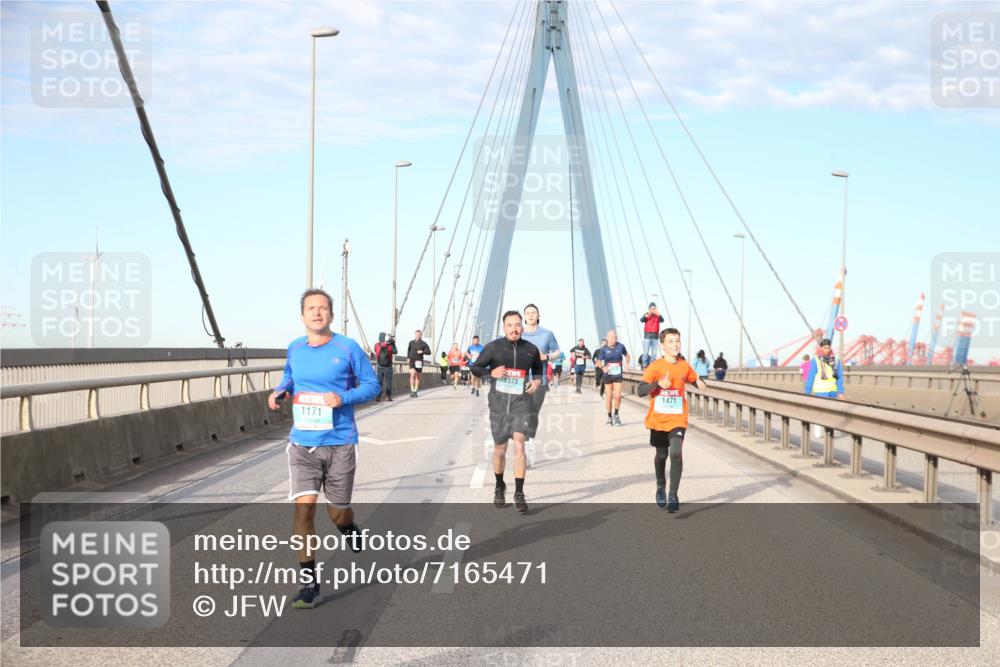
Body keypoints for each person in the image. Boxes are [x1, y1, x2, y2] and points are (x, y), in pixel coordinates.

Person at [268, 289, 380, 609]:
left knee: (337, 512)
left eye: (323, 308)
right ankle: (309, 584)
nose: (317, 313)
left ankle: (347, 527)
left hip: (340, 441)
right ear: (302, 315)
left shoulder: (347, 348)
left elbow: (371, 385)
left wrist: (342, 398)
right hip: (303, 443)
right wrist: (279, 392)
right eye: (311, 308)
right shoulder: (295, 348)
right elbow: (290, 378)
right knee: (303, 509)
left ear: (331, 314)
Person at [469, 310, 544, 514]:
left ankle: (519, 492)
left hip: (521, 403)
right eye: (510, 325)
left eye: (518, 325)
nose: (514, 329)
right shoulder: (493, 347)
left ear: (522, 326)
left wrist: (537, 382)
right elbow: (475, 368)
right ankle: (499, 485)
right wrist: (489, 372)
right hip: (499, 405)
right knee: (500, 449)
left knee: (519, 446)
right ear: (504, 328)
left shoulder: (531, 349)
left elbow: (538, 370)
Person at [636, 328, 707, 513]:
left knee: (675, 453)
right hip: (658, 419)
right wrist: (657, 384)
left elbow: (694, 379)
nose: (675, 344)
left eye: (677, 341)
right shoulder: (656, 366)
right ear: (662, 346)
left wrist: (700, 383)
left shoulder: (684, 365)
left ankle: (673, 494)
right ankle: (661, 485)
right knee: (661, 456)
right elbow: (640, 390)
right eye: (670, 341)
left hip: (678, 418)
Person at [519, 304, 560, 468]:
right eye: (527, 313)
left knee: (533, 413)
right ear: (524, 316)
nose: (530, 315)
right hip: (520, 379)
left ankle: (531, 444)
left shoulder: (547, 334)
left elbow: (558, 352)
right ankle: (523, 448)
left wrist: (547, 356)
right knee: (522, 413)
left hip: (539, 379)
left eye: (533, 312)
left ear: (538, 315)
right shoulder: (519, 333)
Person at [596, 330, 630, 426]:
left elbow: (627, 355)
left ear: (616, 338)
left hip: (618, 374)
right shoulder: (603, 349)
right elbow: (598, 362)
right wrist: (602, 367)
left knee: (618, 396)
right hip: (608, 375)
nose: (611, 340)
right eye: (609, 338)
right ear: (607, 339)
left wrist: (627, 364)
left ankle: (616, 414)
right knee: (609, 397)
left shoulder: (621, 346)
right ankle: (609, 417)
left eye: (613, 337)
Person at [372, 333, 397, 402]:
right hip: (388, 366)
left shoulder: (376, 345)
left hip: (379, 366)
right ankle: (388, 396)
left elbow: (376, 351)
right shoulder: (389, 345)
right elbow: (395, 351)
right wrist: (392, 344)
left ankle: (378, 397)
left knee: (379, 382)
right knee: (388, 382)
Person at [406, 330, 431, 398]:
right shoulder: (411, 342)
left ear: (421, 335)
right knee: (412, 374)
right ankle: (412, 390)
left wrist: (422, 351)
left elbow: (429, 352)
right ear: (415, 334)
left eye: (419, 334)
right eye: (417, 334)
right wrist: (408, 357)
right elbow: (408, 350)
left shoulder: (423, 343)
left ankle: (415, 391)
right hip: (412, 361)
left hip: (419, 361)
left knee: (417, 376)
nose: (418, 335)